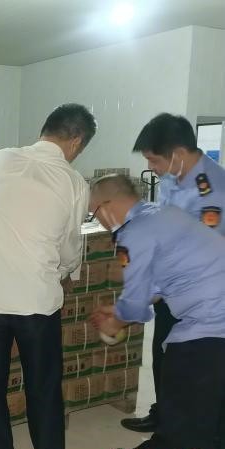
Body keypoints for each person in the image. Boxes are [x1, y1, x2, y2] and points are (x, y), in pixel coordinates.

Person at [0, 103, 96, 449]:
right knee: (43, 389)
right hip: (36, 302)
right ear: (76, 141)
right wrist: (66, 273)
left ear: (45, 130)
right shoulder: (73, 182)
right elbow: (70, 248)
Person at [88, 174, 225, 449]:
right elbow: (162, 282)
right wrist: (119, 310)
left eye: (94, 213)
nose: (99, 221)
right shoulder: (165, 214)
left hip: (208, 330)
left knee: (180, 426)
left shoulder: (132, 232)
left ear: (107, 205)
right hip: (217, 324)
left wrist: (114, 323)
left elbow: (135, 301)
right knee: (213, 424)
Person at [121, 113, 225, 433]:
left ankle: (186, 427)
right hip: (170, 290)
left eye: (154, 160)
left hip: (203, 298)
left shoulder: (213, 189)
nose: (151, 167)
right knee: (163, 353)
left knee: (197, 366)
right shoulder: (171, 179)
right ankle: (164, 413)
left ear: (178, 153)